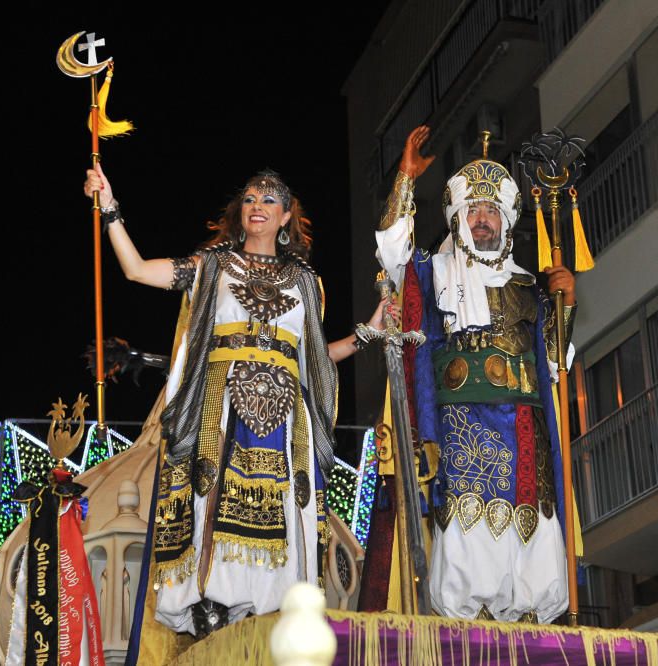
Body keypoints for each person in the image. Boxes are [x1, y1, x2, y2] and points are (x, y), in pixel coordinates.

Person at [83, 165, 389, 637]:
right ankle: (214, 606)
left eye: (269, 200)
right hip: (221, 406)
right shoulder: (212, 266)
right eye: (249, 199)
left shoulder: (307, 283)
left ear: (287, 216)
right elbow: (136, 269)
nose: (257, 206)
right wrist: (109, 209)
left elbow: (315, 357)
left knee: (285, 508)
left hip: (287, 415)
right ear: (239, 213)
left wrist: (369, 331)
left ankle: (274, 607)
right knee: (214, 500)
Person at [367, 126, 577, 623]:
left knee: (533, 545)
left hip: (527, 434)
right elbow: (390, 253)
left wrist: (569, 301)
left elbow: (553, 365)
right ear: (458, 220)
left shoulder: (531, 285)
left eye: (491, 211)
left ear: (505, 221)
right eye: (472, 211)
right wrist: (404, 181)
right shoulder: (432, 273)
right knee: (466, 544)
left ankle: (530, 626)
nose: (482, 220)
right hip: (461, 433)